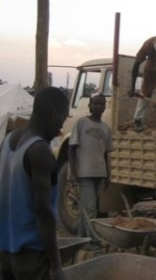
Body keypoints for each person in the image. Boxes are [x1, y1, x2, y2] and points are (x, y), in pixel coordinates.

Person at [0, 87, 69, 280]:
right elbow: (44, 211)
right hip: (31, 255)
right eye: (62, 120)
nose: (61, 128)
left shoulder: (8, 141)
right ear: (54, 114)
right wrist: (56, 264)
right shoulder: (39, 151)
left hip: (5, 249)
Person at [67, 94, 112, 251]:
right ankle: (92, 241)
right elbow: (72, 148)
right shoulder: (81, 123)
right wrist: (72, 172)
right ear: (90, 106)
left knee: (87, 209)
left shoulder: (106, 128)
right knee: (91, 208)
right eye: (96, 104)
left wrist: (108, 174)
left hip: (99, 173)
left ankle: (80, 239)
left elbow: (106, 153)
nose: (100, 106)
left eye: (102, 104)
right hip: (84, 173)